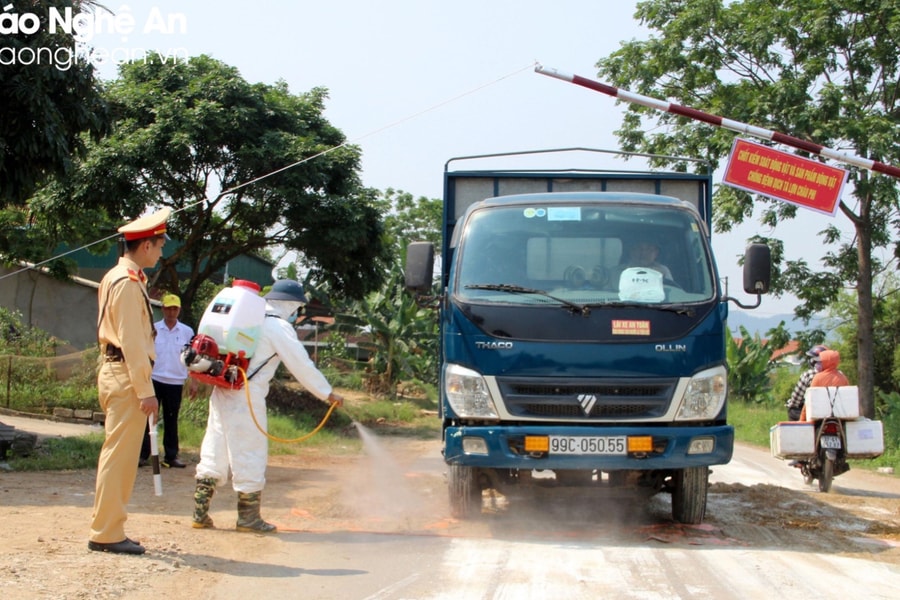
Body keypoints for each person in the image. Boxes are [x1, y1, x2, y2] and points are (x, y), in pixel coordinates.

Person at [192, 279, 344, 533]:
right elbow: (301, 364)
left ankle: (199, 513)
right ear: (290, 305)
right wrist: (327, 393)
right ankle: (248, 519)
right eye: (296, 308)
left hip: (222, 389)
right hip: (246, 397)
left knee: (214, 449)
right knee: (250, 453)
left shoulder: (247, 318)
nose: (296, 314)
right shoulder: (278, 327)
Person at [89, 208, 170, 555]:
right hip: (125, 375)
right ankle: (106, 532)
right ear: (147, 245)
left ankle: (109, 527)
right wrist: (146, 391)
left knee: (118, 456)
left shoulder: (121, 277)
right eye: (160, 244)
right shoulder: (126, 282)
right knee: (119, 458)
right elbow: (133, 342)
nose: (162, 251)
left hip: (118, 373)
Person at [140, 293, 197, 469]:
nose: (171, 312)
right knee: (148, 418)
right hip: (155, 379)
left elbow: (192, 359)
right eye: (168, 308)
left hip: (175, 381)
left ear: (179, 310)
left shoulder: (187, 332)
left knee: (172, 419)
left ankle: (171, 456)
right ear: (162, 309)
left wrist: (193, 381)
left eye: (174, 308)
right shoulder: (153, 329)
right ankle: (143, 455)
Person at [785, 344, 828, 421]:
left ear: (813, 361)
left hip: (811, 413)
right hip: (833, 413)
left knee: (793, 410)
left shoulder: (808, 375)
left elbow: (796, 400)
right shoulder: (840, 375)